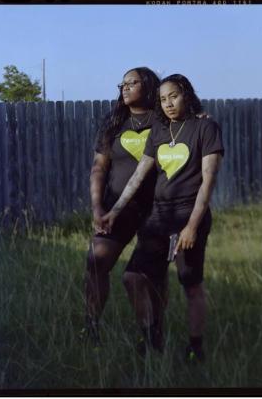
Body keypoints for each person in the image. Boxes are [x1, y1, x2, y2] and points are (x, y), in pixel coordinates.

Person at [102, 74, 224, 361]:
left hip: (188, 215)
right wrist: (114, 211)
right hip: (159, 216)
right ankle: (151, 337)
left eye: (174, 96)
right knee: (133, 277)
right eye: (162, 99)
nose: (168, 104)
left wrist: (192, 226)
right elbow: (137, 176)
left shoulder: (206, 128)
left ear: (186, 94)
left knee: (190, 284)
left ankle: (195, 348)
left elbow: (208, 182)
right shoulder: (159, 131)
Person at [82, 67, 167, 352]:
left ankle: (152, 335)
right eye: (122, 83)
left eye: (132, 82)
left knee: (143, 276)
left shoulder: (165, 119)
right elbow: (98, 168)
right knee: (96, 261)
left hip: (157, 209)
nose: (125, 87)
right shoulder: (115, 121)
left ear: (149, 86)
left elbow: (194, 127)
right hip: (117, 207)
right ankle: (91, 328)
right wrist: (96, 205)